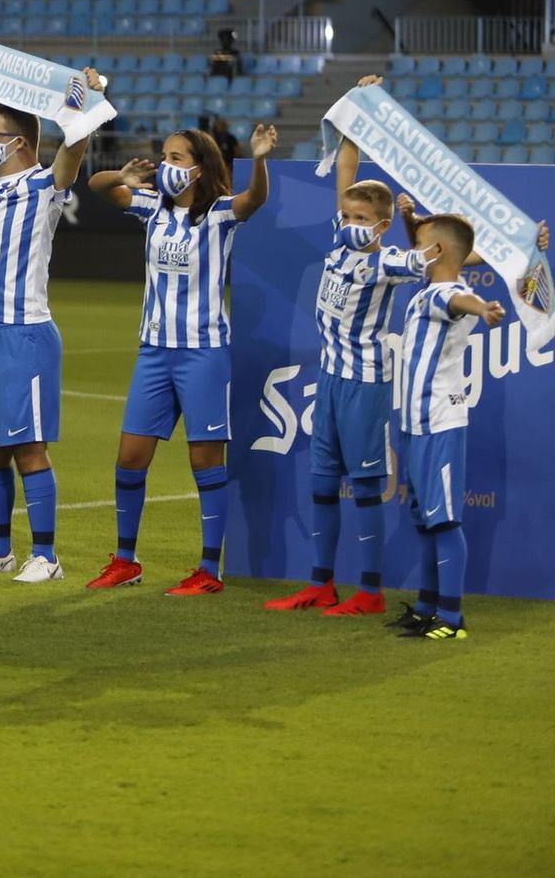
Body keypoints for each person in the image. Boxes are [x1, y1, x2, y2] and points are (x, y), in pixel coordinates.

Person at [85, 121, 277, 594]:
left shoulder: (219, 214)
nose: (167, 164)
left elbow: (255, 200)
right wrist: (123, 177)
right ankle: (126, 561)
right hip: (153, 351)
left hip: (203, 352)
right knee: (130, 457)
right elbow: (96, 186)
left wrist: (261, 159)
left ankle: (210, 569)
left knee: (205, 460)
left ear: (200, 167)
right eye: (165, 156)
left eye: (177, 158)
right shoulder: (151, 207)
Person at [0, 46, 102, 584]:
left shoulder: (42, 186)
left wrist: (81, 108)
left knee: (28, 447)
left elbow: (73, 155)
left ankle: (48, 556)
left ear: (22, 144)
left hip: (26, 333)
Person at [266, 84, 426, 615]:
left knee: (364, 485)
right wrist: (356, 114)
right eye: (350, 217)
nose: (353, 226)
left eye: (363, 221)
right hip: (331, 379)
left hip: (365, 382)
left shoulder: (387, 260)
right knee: (320, 484)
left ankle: (372, 592)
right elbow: (345, 172)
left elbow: (433, 258)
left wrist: (415, 225)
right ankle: (320, 583)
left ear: (381, 226)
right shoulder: (339, 241)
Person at [386, 210, 545, 641]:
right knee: (424, 520)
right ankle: (425, 607)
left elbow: (461, 298)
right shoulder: (428, 284)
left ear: (434, 252)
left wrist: (485, 306)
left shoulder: (448, 293)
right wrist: (411, 220)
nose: (410, 252)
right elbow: (450, 255)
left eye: (418, 246)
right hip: (415, 422)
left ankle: (451, 619)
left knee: (444, 521)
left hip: (439, 421)